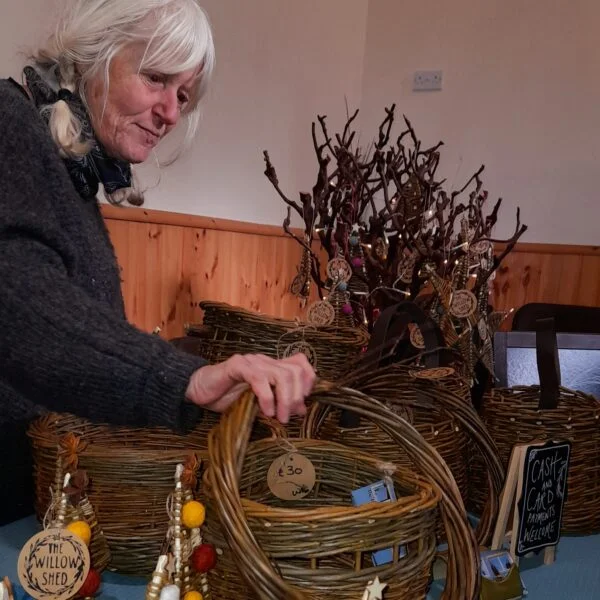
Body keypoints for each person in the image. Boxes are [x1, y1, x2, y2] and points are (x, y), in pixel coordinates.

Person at [0, 0, 316, 438]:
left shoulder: (74, 174)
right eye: (156, 78)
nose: (170, 113)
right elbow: (20, 306)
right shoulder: (7, 118)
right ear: (96, 52)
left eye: (182, 96)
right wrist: (184, 377)